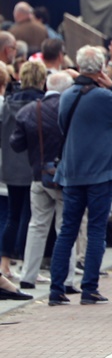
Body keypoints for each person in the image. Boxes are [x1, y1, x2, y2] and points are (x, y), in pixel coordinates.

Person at [47, 45, 112, 306]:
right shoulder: (104, 97)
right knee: (97, 229)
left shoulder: (67, 96)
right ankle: (89, 288)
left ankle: (57, 289)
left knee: (67, 229)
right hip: (101, 173)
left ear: (79, 67)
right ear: (101, 70)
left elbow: (61, 126)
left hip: (72, 172)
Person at [8, 71, 81, 290]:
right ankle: (67, 279)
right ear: (67, 89)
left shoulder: (29, 111)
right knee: (65, 228)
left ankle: (28, 276)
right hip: (65, 178)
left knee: (36, 226)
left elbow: (16, 144)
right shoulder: (72, 111)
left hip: (39, 177)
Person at [0, 60, 48, 279]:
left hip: (10, 168)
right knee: (34, 220)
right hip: (35, 167)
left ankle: (5, 264)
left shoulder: (7, 104)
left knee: (13, 216)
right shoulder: (43, 104)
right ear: (41, 79)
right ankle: (28, 266)